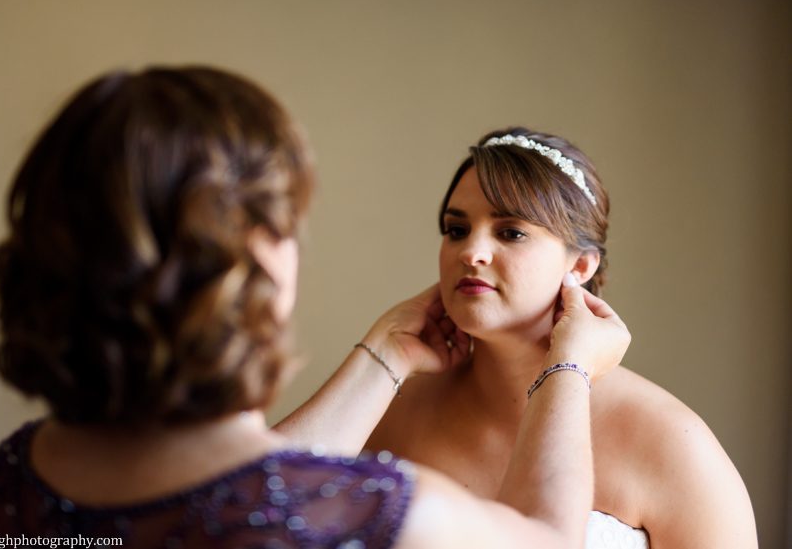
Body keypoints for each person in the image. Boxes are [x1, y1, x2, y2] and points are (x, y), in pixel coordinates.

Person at [0, 68, 630, 549]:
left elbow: (235, 487)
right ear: (251, 256)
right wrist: (567, 369)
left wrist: (388, 354)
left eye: (509, 230)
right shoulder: (364, 505)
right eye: (287, 224)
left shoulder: (13, 480)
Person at [318, 127, 754, 548]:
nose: (471, 252)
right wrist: (383, 350)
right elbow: (266, 507)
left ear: (581, 266)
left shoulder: (672, 442)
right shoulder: (393, 414)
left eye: (510, 232)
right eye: (457, 230)